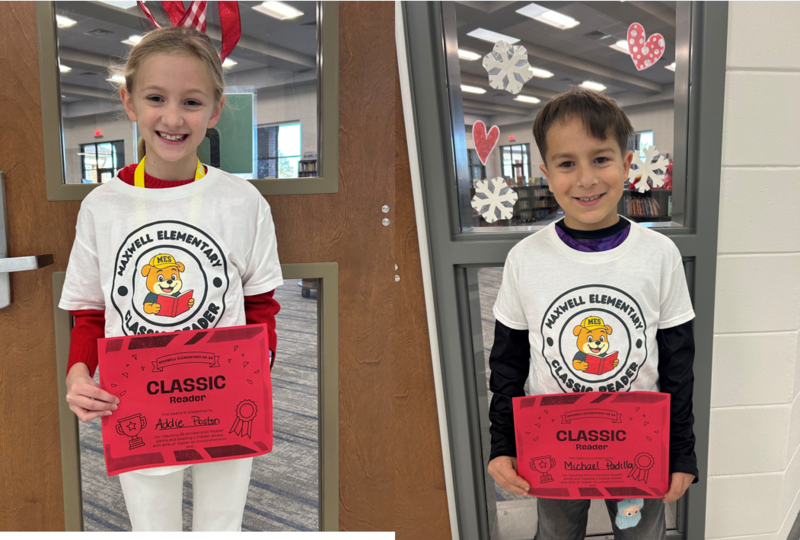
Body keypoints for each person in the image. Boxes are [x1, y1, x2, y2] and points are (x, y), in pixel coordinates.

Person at [58, 26, 283, 531]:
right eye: (156, 98)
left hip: (223, 396)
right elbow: (90, 313)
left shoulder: (242, 202)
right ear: (129, 102)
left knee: (221, 527)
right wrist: (78, 374)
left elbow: (261, 305)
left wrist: (254, 371)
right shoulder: (102, 207)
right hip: (136, 402)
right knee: (152, 528)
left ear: (216, 109)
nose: (174, 118)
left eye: (192, 102)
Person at [486, 88, 697, 540]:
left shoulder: (660, 255)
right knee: (557, 534)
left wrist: (681, 450)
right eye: (567, 163)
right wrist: (503, 442)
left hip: (638, 443)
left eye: (601, 159)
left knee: (641, 535)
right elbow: (507, 363)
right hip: (553, 443)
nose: (586, 179)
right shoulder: (525, 258)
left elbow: (678, 363)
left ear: (626, 163)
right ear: (546, 174)